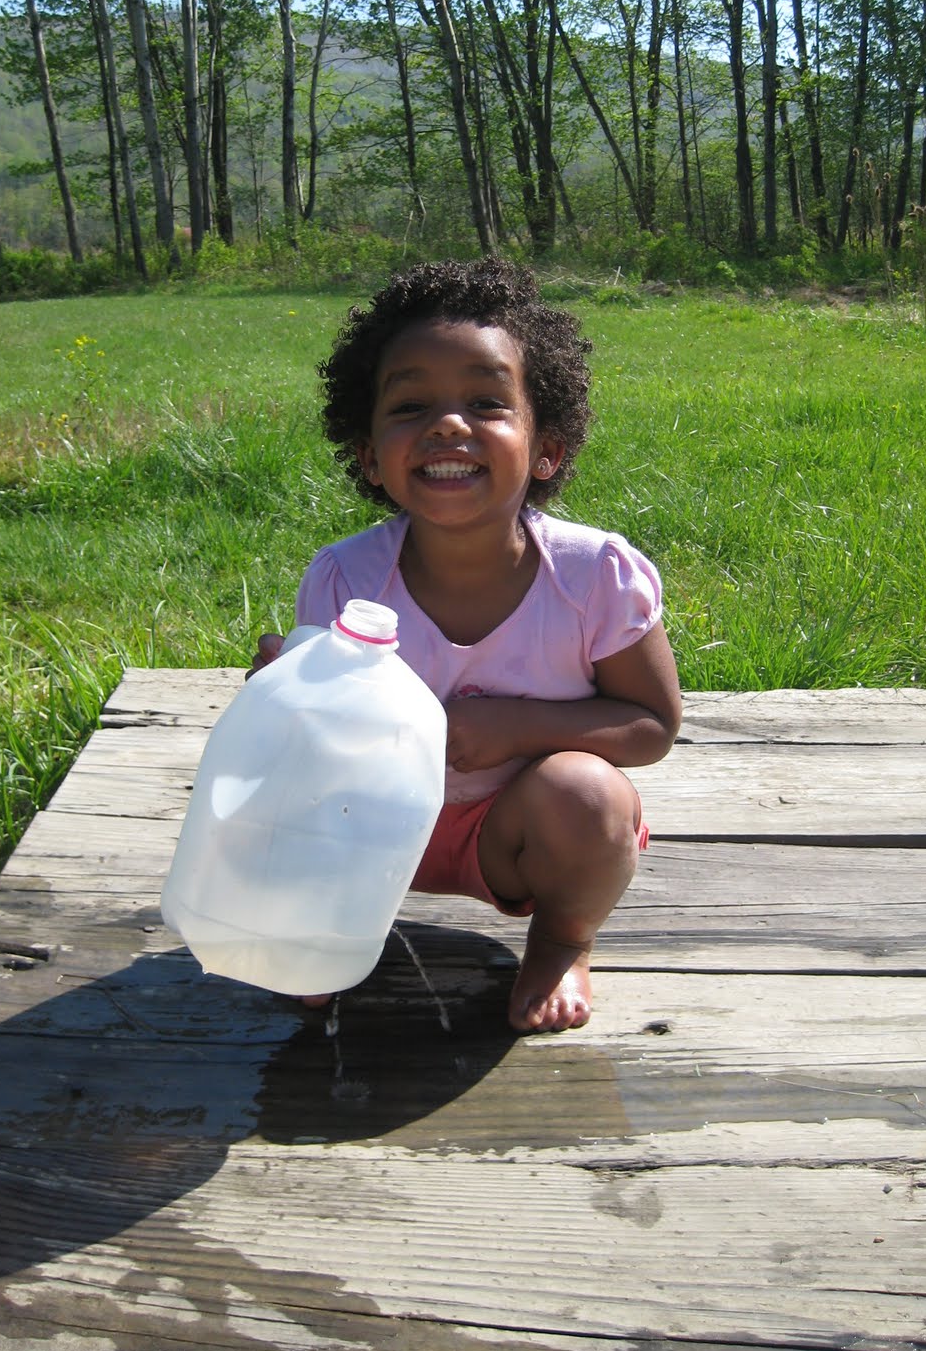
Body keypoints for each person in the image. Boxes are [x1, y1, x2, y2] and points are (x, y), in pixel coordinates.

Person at [253, 258, 682, 1033]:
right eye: (411, 406)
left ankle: (561, 941)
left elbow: (652, 727)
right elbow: (315, 745)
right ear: (368, 457)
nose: (448, 425)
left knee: (588, 795)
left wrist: (519, 727)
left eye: (486, 402)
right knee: (290, 798)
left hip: (517, 834)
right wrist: (280, 700)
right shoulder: (346, 576)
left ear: (546, 449)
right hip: (377, 830)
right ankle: (330, 936)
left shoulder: (594, 577)